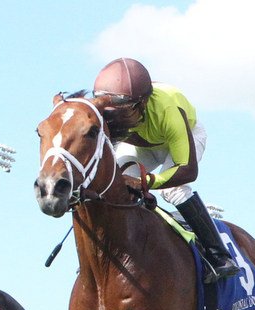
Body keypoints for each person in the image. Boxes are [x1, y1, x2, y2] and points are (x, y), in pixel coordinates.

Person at [93, 57, 239, 283]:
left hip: (183, 139)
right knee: (117, 182)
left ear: (142, 104)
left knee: (172, 191)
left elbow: (187, 170)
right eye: (110, 111)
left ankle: (219, 256)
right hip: (143, 144)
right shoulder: (108, 111)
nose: (115, 119)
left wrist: (147, 181)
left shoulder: (168, 109)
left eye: (122, 112)